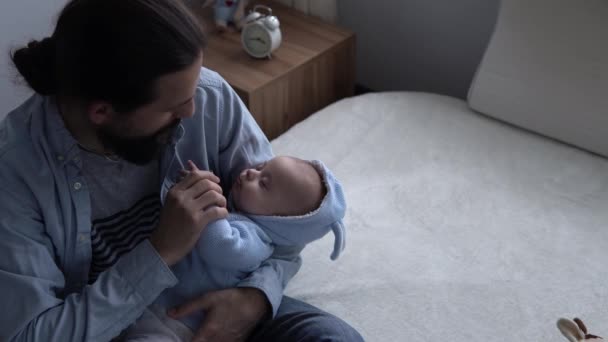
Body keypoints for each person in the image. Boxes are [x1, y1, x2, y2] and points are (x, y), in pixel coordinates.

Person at [0, 0, 364, 341]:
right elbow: (32, 333)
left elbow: (287, 224)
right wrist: (160, 251)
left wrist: (253, 298)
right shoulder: (16, 170)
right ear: (102, 112)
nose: (193, 111)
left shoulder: (209, 96)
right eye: (175, 105)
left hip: (225, 294)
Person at [123, 156, 347, 341]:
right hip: (155, 306)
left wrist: (208, 202)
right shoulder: (240, 216)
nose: (251, 173)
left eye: (263, 184)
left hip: (181, 325)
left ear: (278, 221)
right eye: (261, 167)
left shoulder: (257, 240)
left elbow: (219, 245)